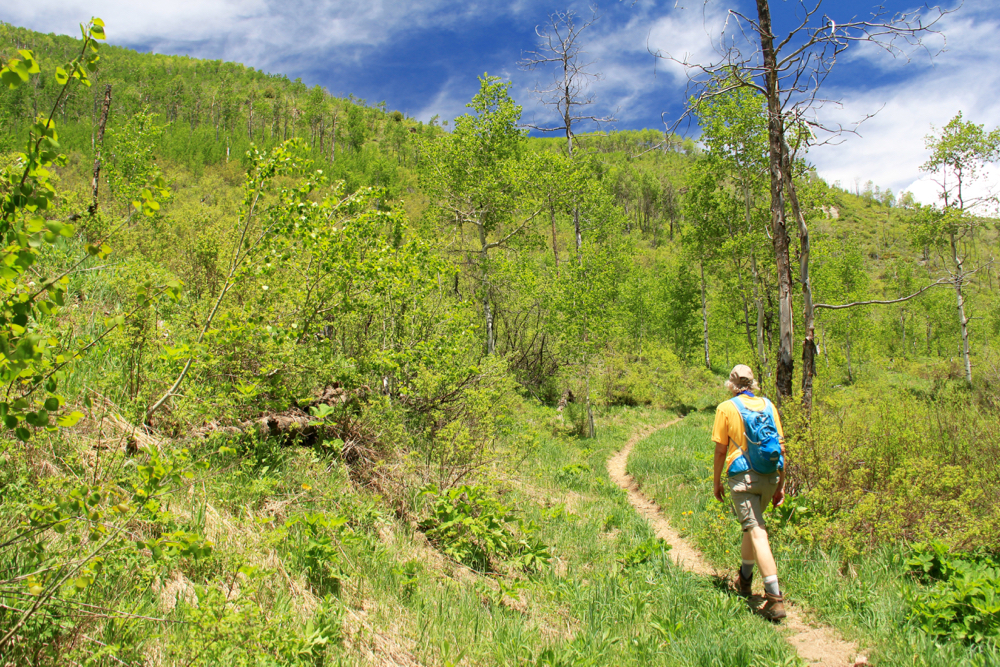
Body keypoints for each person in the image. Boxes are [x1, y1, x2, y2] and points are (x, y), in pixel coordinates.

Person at [712, 364, 787, 620]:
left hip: (743, 477)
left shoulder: (726, 408)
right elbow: (782, 448)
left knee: (757, 531)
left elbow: (721, 450)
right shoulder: (769, 405)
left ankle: (774, 598)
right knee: (750, 526)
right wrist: (782, 485)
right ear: (753, 383)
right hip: (769, 477)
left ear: (732, 385)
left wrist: (716, 482)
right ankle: (744, 580)